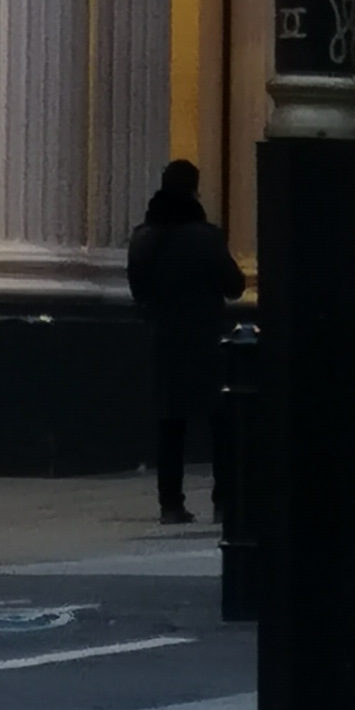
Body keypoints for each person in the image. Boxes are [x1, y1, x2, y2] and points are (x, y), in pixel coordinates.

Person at [127, 159, 244, 525]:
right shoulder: (206, 237)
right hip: (206, 339)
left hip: (163, 340)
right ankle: (223, 500)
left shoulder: (143, 238)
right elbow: (235, 286)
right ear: (194, 189)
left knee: (170, 425)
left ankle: (171, 504)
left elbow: (138, 290)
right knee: (220, 423)